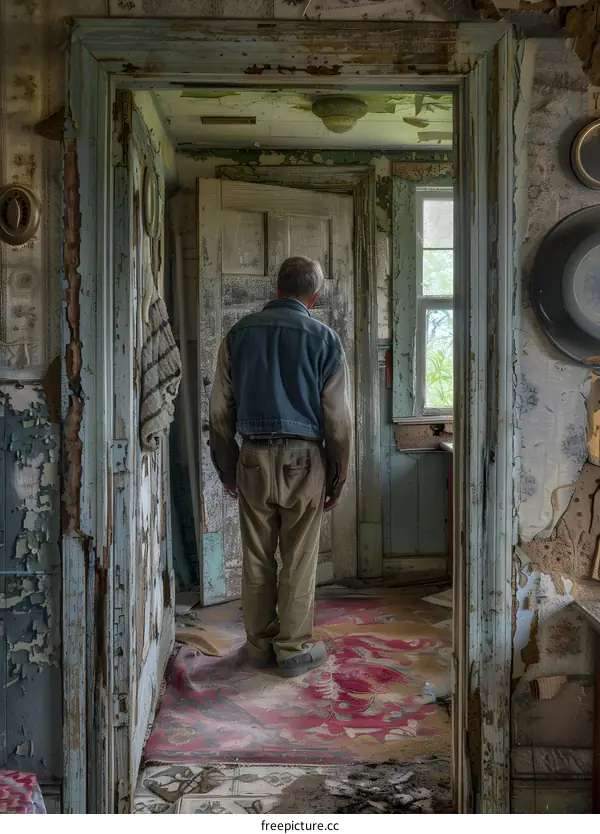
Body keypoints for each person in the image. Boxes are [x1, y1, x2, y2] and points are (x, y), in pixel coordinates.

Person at [209, 255, 352, 677]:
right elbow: (339, 422)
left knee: (257, 559)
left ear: (276, 289)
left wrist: (228, 469)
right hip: (305, 461)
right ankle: (291, 649)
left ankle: (258, 646)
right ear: (315, 295)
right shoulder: (325, 340)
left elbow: (219, 412)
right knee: (299, 559)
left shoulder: (238, 334)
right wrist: (337, 477)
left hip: (252, 457)